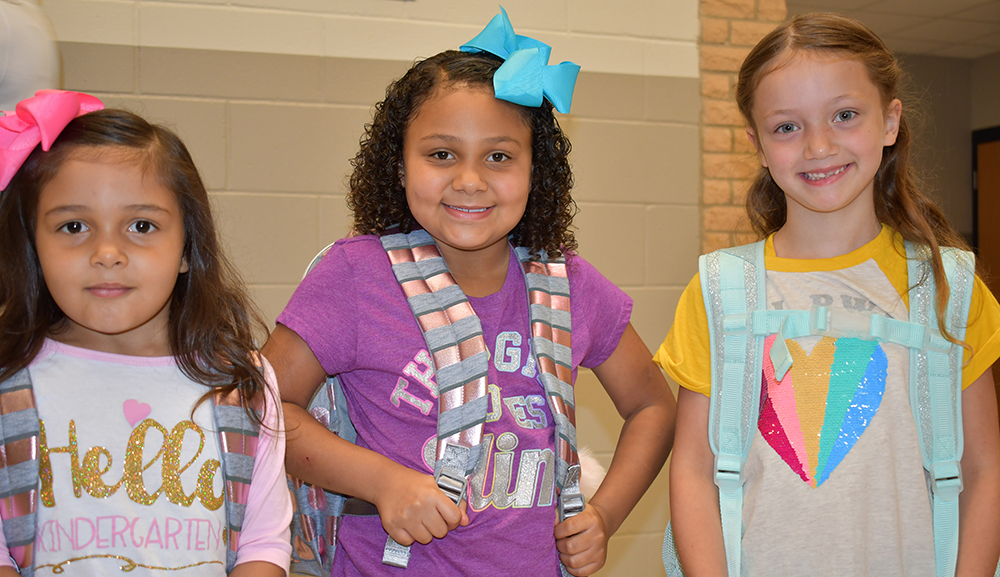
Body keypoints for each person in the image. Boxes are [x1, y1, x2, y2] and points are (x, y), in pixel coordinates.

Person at [262, 8, 675, 577]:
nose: (470, 180)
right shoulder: (356, 275)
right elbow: (259, 407)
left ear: (537, 171)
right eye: (441, 154)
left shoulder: (570, 285)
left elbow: (653, 405)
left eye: (499, 157)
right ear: (399, 166)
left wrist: (604, 514)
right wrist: (380, 481)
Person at [658, 13, 1000, 577]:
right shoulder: (720, 290)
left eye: (845, 115)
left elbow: (983, 470)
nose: (818, 146)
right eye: (787, 127)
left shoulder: (948, 287)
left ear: (890, 121)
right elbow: (694, 468)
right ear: (758, 145)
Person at [0, 90, 292, 576]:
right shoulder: (10, 385)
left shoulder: (241, 384)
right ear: (33, 245)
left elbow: (262, 544)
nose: (108, 252)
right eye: (73, 226)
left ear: (186, 248)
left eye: (141, 224)